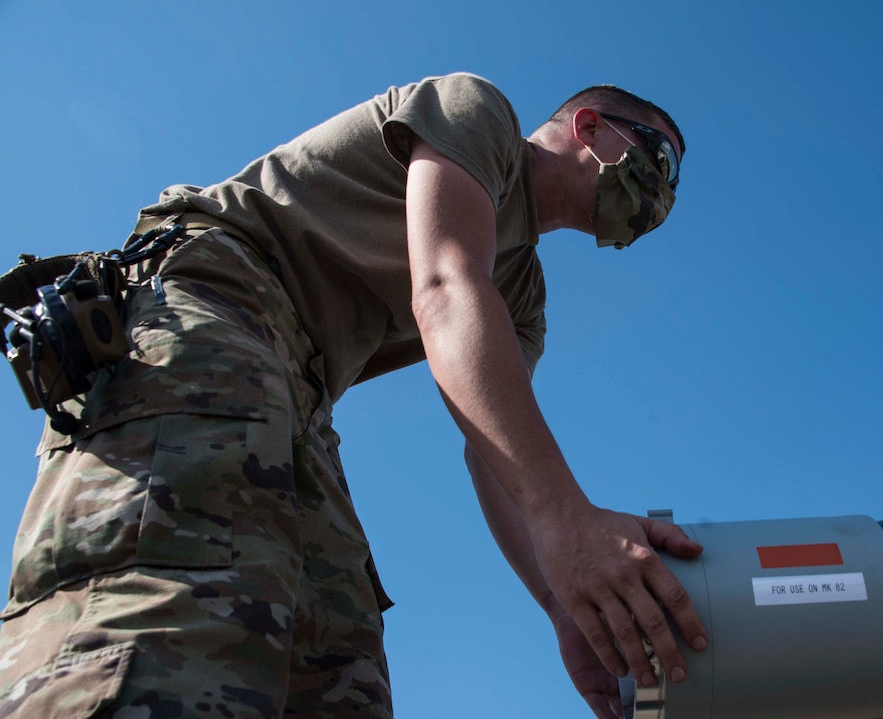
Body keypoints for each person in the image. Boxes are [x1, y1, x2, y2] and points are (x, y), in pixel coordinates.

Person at [0, 72, 707, 718]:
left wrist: (563, 601)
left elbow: (490, 448)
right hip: (213, 307)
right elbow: (446, 287)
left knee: (340, 666)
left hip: (303, 394)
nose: (663, 195)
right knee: (168, 625)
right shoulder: (479, 113)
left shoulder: (522, 291)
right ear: (590, 127)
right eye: (662, 161)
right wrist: (570, 520)